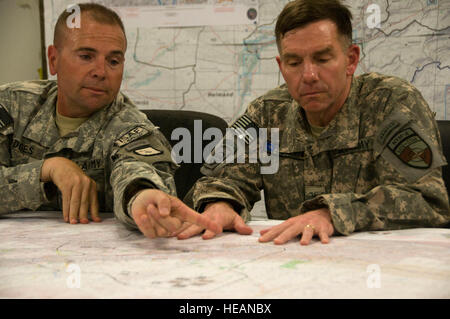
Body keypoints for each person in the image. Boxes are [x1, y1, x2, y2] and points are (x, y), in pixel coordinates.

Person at [177, 0, 450, 245]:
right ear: (281, 65)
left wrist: (332, 213)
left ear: (351, 59)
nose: (308, 75)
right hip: (289, 266)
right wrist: (221, 203)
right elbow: (219, 180)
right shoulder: (266, 114)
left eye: (322, 59)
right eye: (294, 62)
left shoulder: (390, 103)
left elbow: (427, 201)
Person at [0, 3, 220, 238]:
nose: (100, 71)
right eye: (86, 56)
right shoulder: (11, 105)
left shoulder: (132, 127)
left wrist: (141, 196)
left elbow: (137, 171)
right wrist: (46, 170)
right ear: (53, 59)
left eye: (113, 61)